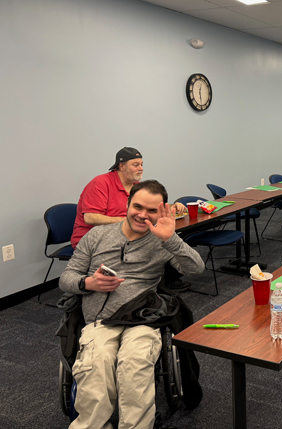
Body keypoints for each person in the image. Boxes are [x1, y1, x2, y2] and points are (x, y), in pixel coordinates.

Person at [59, 180, 204, 429]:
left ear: (160, 212)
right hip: (100, 320)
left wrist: (172, 239)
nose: (142, 215)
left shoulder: (162, 239)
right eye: (137, 206)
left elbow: (196, 268)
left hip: (142, 318)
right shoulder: (98, 236)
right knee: (96, 365)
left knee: (135, 364)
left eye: (151, 210)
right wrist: (88, 283)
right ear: (127, 204)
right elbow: (66, 278)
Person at [71, 147, 189, 290]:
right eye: (136, 165)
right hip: (95, 240)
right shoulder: (100, 183)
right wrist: (128, 221)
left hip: (125, 235)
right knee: (153, 247)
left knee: (165, 243)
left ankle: (164, 283)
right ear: (121, 166)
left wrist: (172, 206)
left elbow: (153, 205)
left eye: (142, 165)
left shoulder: (136, 186)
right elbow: (90, 218)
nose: (141, 169)